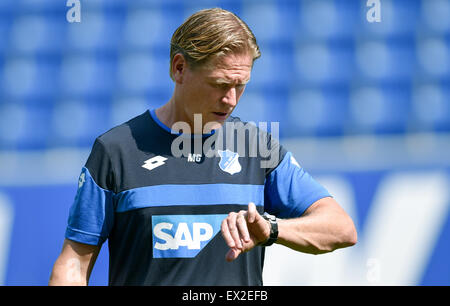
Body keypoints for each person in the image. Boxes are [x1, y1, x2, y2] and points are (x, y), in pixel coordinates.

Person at [49, 8, 357, 286]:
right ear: (179, 68)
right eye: (221, 84)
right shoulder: (116, 151)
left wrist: (272, 229)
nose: (232, 99)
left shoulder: (256, 148)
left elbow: (341, 228)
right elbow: (74, 262)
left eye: (241, 85)